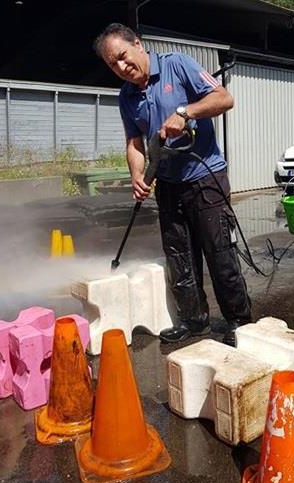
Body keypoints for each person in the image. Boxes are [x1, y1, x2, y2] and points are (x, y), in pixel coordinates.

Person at [94, 23, 252, 345]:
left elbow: (224, 98)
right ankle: (194, 322)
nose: (122, 67)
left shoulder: (177, 65)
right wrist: (136, 175)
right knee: (179, 257)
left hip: (205, 178)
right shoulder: (126, 97)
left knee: (219, 253)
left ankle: (239, 321)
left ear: (137, 44)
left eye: (124, 56)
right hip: (167, 184)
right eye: (113, 65)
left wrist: (185, 112)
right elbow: (134, 142)